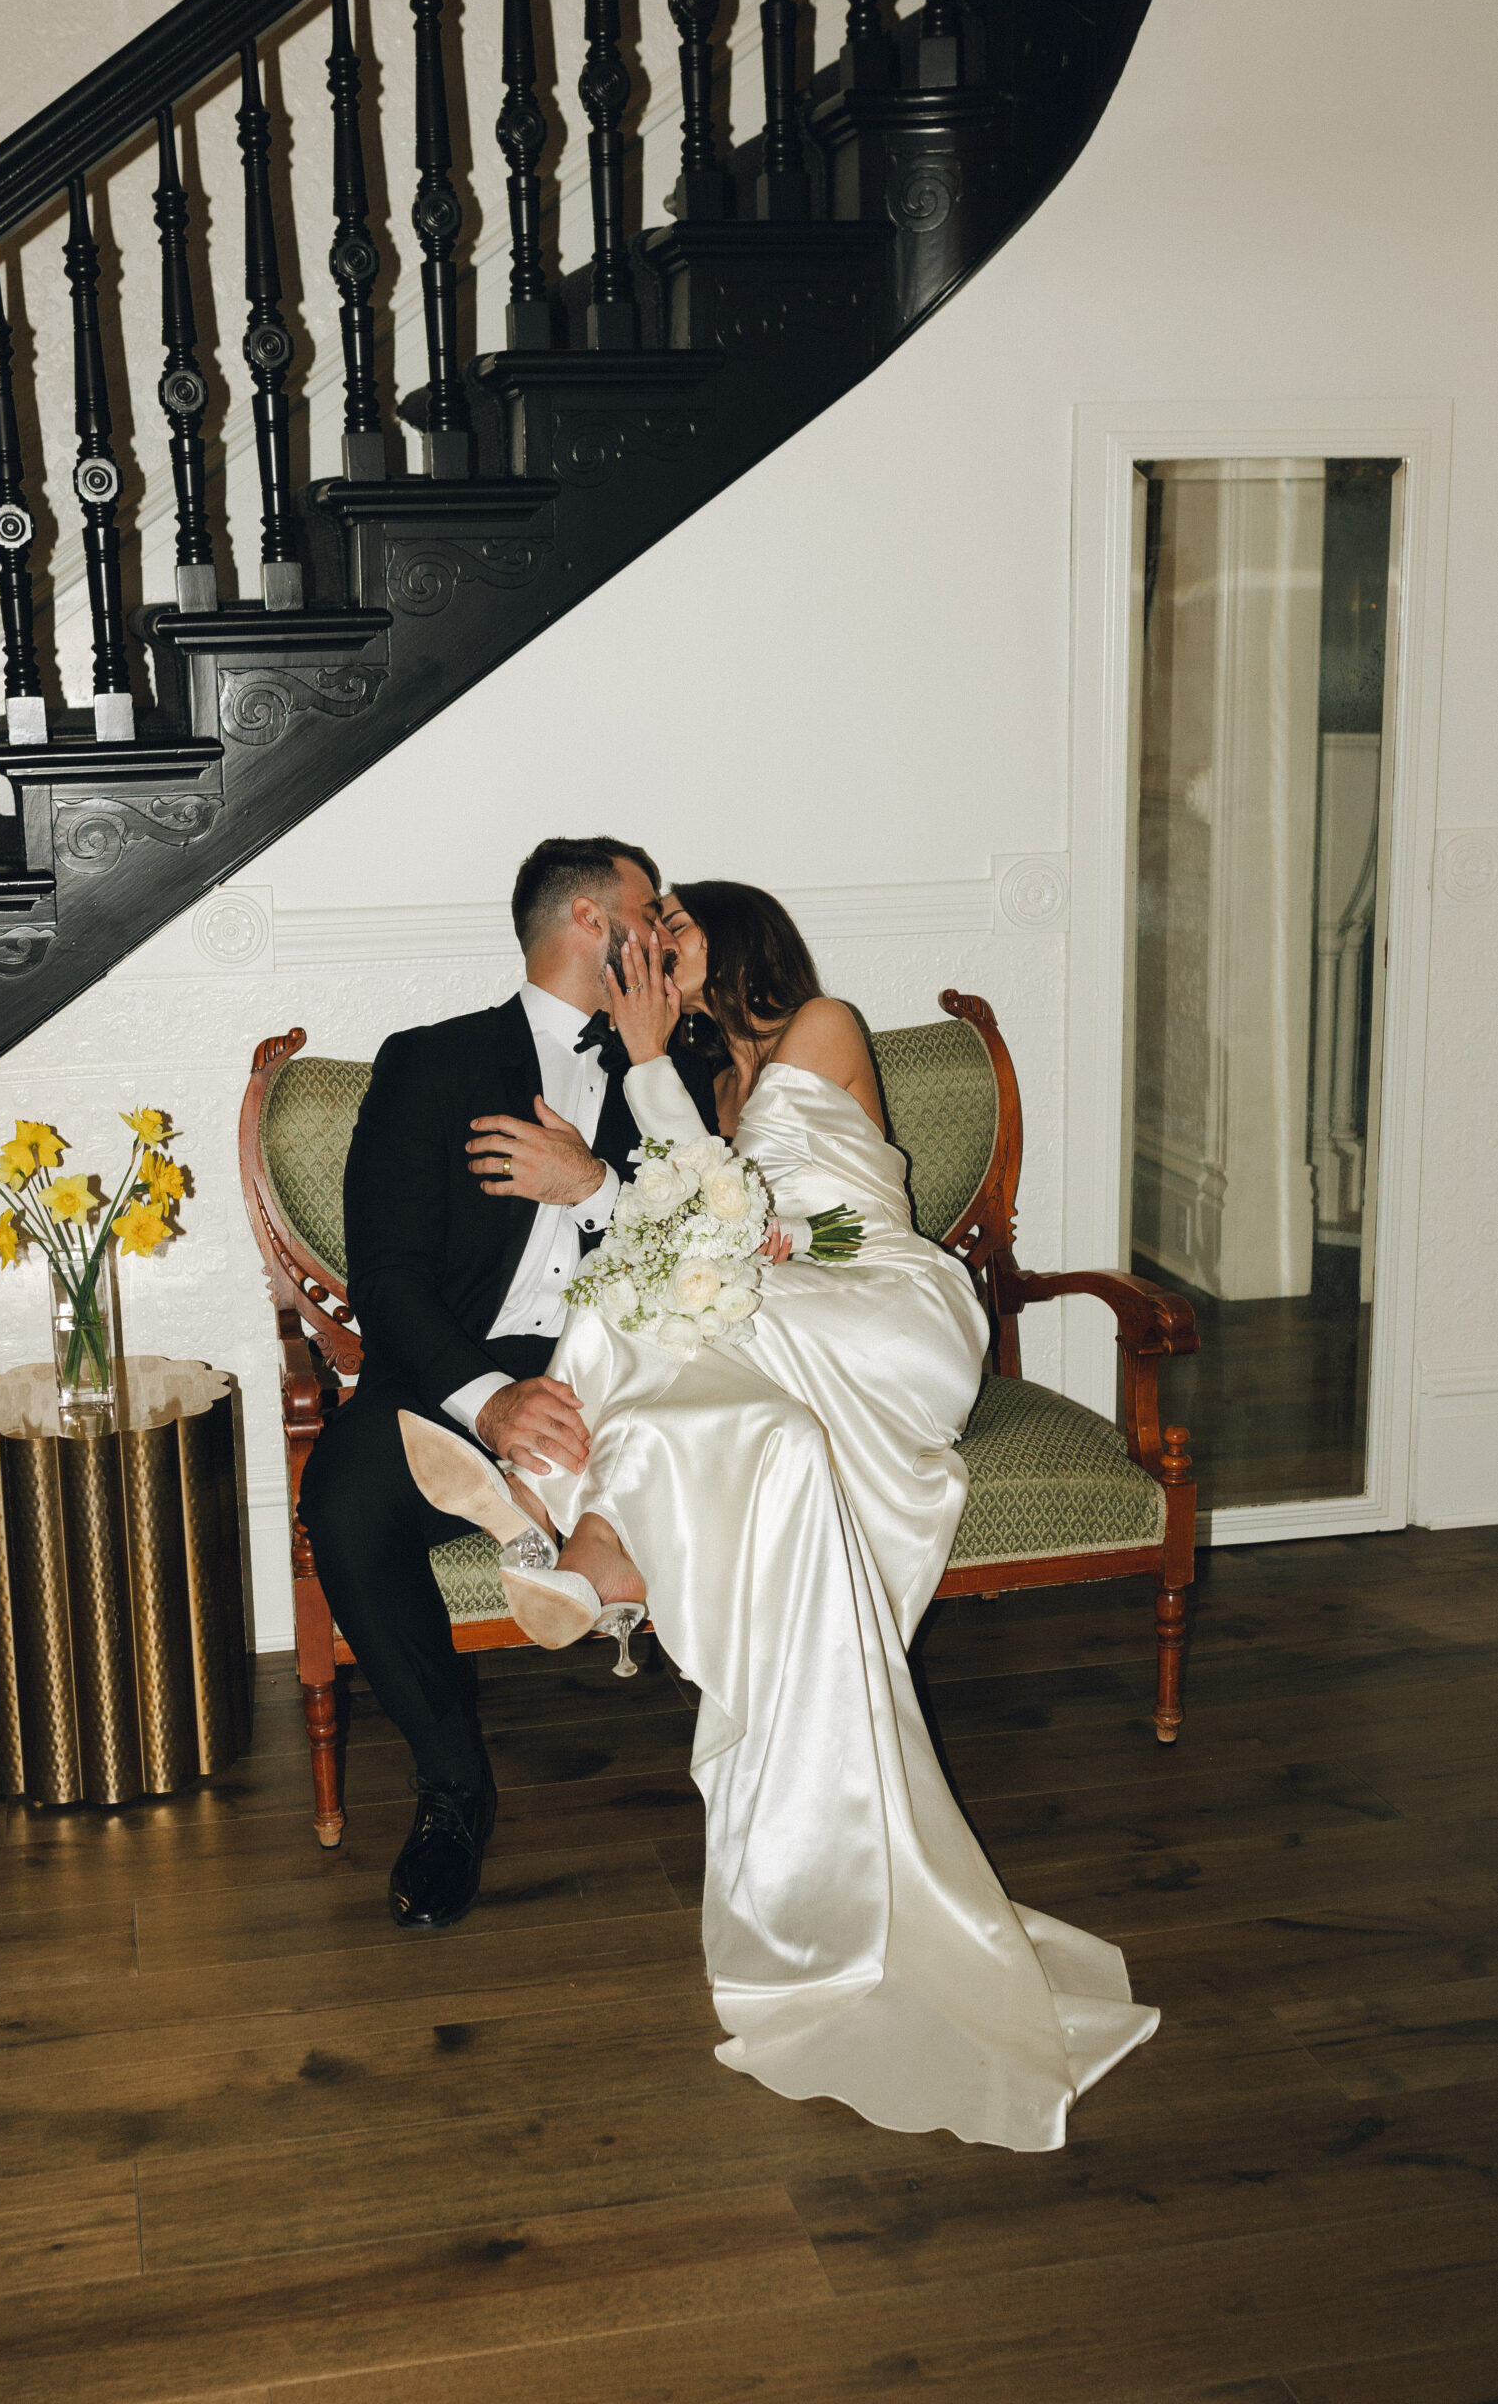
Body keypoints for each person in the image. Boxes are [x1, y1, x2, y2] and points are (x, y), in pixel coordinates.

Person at [402, 879, 1159, 2148]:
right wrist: (672, 1128)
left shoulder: (823, 1026)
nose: (653, 950)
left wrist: (650, 1070)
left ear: (739, 940)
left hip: (889, 1312)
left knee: (650, 1299)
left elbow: (780, 1219)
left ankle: (579, 1511)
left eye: (675, 931)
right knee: (664, 1328)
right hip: (784, 1310)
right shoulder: (709, 1092)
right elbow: (703, 1220)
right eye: (646, 939)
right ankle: (607, 1547)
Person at [296, 836, 719, 1934]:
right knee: (343, 1499)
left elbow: (712, 1249)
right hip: (460, 1373)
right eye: (648, 907)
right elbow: (382, 1276)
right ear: (591, 922)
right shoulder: (430, 1063)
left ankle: (765, 1772)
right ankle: (451, 1792)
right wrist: (485, 1397)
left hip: (625, 1365)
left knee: (715, 1448)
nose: (665, 925)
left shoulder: (682, 1063)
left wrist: (594, 1179)